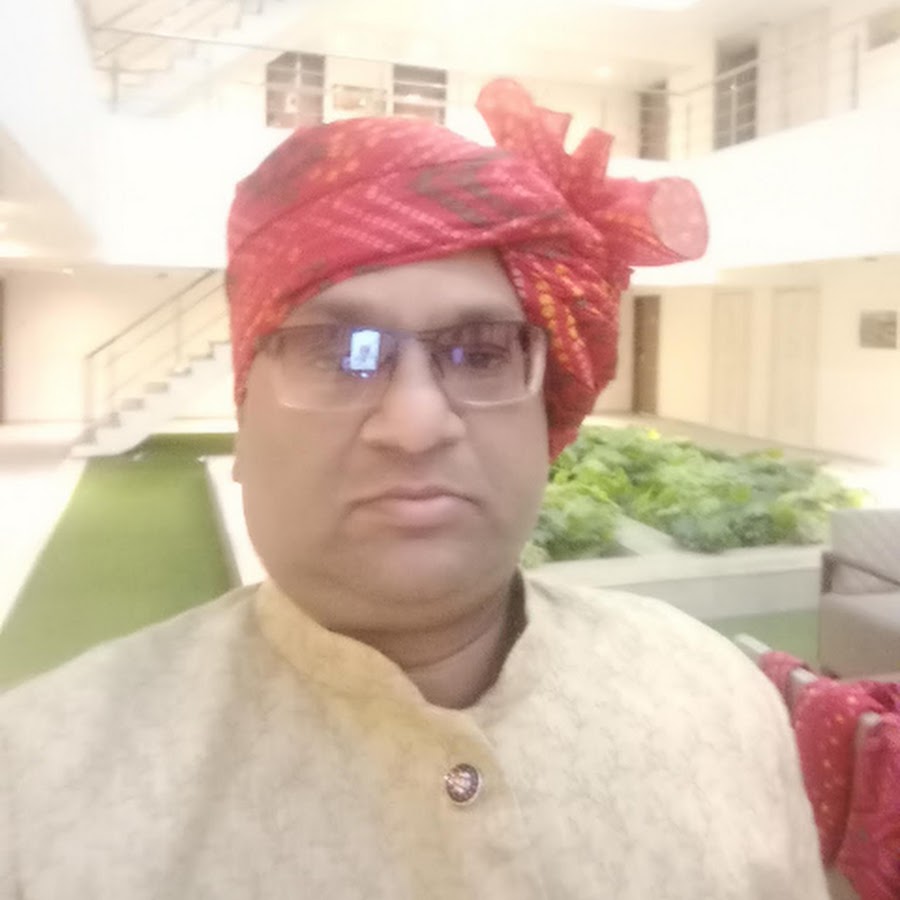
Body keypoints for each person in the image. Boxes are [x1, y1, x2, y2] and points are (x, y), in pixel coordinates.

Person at [0, 79, 828, 899]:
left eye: (480, 352)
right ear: (244, 418)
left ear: (548, 419)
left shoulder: (717, 701)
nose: (416, 423)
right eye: (338, 352)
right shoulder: (39, 791)